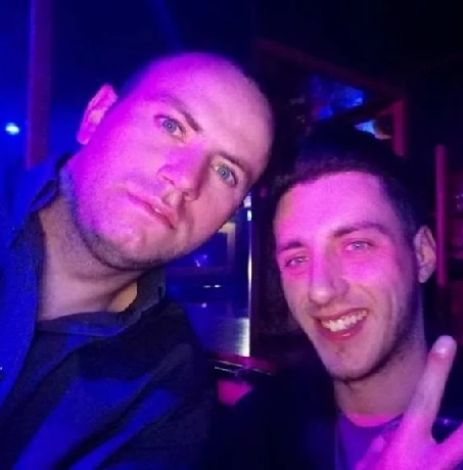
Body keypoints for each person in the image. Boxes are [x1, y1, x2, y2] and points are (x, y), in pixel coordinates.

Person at [0, 52, 273, 468]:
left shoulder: (172, 392)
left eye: (226, 173)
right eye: (171, 125)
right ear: (97, 115)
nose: (186, 179)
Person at [215, 124, 463, 470]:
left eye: (357, 245)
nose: (320, 290)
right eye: (296, 260)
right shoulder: (255, 432)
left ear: (422, 255)